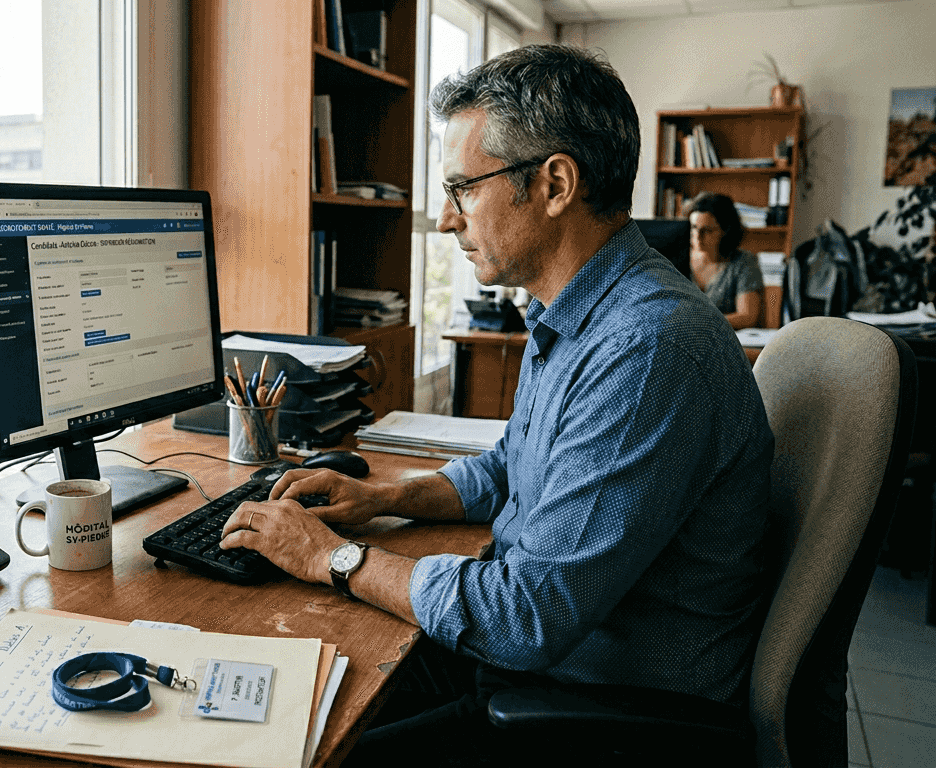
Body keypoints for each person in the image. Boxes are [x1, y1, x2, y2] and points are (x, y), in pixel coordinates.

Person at [218, 45, 774, 766]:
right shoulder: (577, 316)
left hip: (597, 708)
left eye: (462, 190)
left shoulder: (646, 352)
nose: (448, 222)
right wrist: (381, 497)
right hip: (548, 664)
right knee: (287, 690)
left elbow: (526, 617)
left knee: (300, 745)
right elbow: (516, 464)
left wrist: (336, 556)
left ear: (554, 184)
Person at [685, 190, 765, 329]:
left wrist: (698, 322)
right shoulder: (679, 257)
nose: (697, 237)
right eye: (694, 228)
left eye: (707, 230)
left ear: (726, 230)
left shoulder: (743, 262)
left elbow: (747, 317)